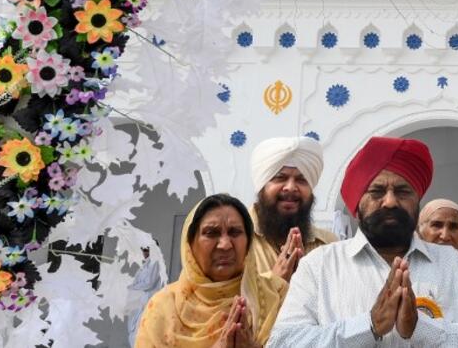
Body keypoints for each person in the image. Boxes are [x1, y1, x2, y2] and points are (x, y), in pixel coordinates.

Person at [270, 136, 458, 346]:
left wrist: (420, 328)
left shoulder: (451, 264)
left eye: (403, 191)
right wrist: (368, 325)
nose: (390, 202)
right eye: (377, 191)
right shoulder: (320, 265)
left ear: (418, 201)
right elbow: (283, 342)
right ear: (357, 205)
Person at [243, 136, 337, 344]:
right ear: (262, 186)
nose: (291, 187)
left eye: (301, 180)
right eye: (280, 178)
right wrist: (275, 281)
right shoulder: (237, 238)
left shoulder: (329, 245)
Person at [135, 194, 261, 348]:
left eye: (235, 232)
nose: (225, 245)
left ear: (249, 241)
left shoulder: (274, 296)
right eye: (211, 233)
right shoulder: (163, 307)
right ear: (190, 245)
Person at [127, 246, 166, 347]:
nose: (144, 252)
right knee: (134, 331)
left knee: (144, 331)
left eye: (146, 249)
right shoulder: (144, 265)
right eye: (143, 249)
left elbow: (148, 283)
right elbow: (135, 281)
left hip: (149, 303)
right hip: (140, 302)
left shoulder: (155, 262)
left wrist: (133, 286)